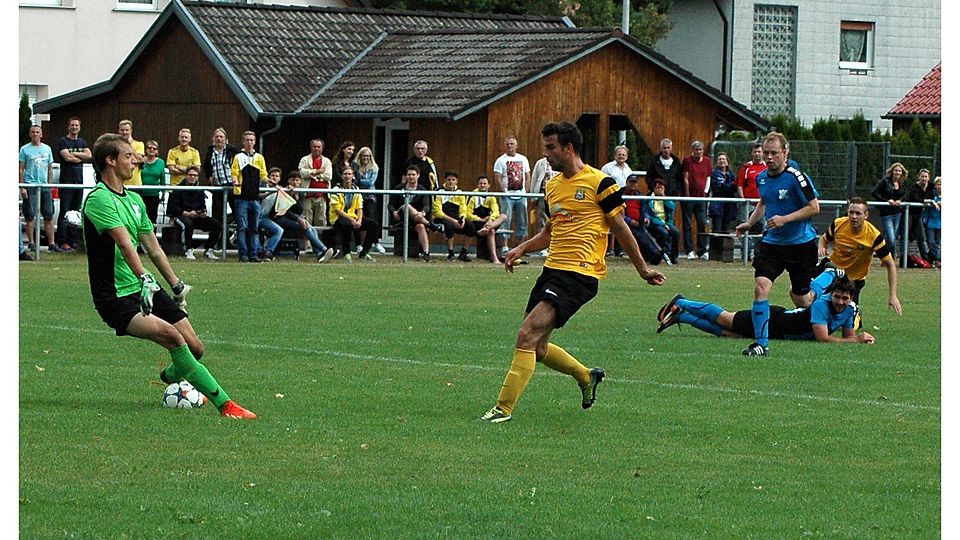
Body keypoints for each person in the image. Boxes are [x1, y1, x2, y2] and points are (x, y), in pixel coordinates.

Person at [479, 121, 665, 424]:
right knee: (537, 347)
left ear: (569, 148)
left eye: (550, 147)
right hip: (552, 270)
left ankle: (503, 409)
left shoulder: (601, 183)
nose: (545, 153)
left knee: (526, 334)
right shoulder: (553, 186)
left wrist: (642, 269)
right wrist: (522, 248)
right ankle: (586, 375)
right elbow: (551, 231)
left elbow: (621, 228)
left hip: (580, 274)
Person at [81, 133, 255, 419]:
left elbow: (154, 249)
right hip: (115, 296)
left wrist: (175, 285)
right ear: (110, 161)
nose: (134, 159)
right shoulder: (99, 200)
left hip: (145, 286)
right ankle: (226, 406)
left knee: (196, 347)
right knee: (174, 338)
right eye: (127, 155)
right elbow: (125, 245)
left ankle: (170, 376)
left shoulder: (134, 200)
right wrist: (143, 278)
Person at [734, 132, 820, 357]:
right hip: (772, 243)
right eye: (766, 153)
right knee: (761, 286)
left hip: (800, 244)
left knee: (801, 298)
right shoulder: (761, 178)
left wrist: (785, 218)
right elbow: (764, 201)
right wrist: (749, 223)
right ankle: (761, 344)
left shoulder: (796, 177)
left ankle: (825, 297)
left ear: (785, 152)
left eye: (774, 153)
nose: (769, 157)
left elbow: (814, 207)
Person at [656, 276, 874, 344]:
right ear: (831, 295)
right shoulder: (820, 305)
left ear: (852, 298)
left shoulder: (850, 309)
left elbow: (849, 336)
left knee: (731, 335)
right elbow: (822, 338)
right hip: (774, 320)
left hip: (778, 332)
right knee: (725, 319)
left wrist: (861, 338)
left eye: (845, 299)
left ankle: (682, 317)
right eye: (837, 297)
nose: (841, 302)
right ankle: (682, 301)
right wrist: (854, 341)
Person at [815, 197, 902, 315]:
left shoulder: (874, 236)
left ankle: (854, 314)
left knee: (847, 319)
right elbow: (823, 239)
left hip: (853, 280)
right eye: (851, 212)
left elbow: (890, 264)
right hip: (832, 271)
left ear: (866, 215)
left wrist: (893, 295)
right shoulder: (838, 224)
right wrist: (822, 248)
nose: (854, 216)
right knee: (807, 297)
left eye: (858, 213)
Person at [271, 171, 335, 263]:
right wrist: (298, 219)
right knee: (305, 227)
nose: (295, 183)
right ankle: (324, 249)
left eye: (297, 180)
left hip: (293, 218)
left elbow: (299, 210)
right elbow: (285, 211)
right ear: (288, 181)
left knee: (311, 228)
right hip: (282, 218)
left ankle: (320, 254)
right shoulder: (284, 192)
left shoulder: (300, 193)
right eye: (293, 180)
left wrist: (296, 197)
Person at [166, 166, 221, 260]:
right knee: (188, 224)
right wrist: (186, 213)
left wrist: (202, 212)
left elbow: (202, 206)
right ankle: (188, 249)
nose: (193, 177)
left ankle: (209, 249)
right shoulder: (178, 189)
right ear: (186, 176)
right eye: (190, 175)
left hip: (196, 216)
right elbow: (172, 208)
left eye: (195, 175)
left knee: (216, 224)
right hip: (181, 216)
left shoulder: (199, 190)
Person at [230, 131, 268, 263]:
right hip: (242, 198)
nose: (249, 142)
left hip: (255, 198)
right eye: (247, 140)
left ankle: (253, 254)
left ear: (255, 141)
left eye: (252, 140)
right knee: (242, 227)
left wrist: (270, 182)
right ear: (243, 142)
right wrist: (235, 180)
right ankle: (243, 254)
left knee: (254, 228)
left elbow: (263, 174)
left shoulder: (259, 158)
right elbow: (234, 172)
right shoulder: (238, 157)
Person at [57, 116, 92, 251]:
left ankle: (73, 242)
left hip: (79, 182)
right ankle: (62, 242)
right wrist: (79, 156)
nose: (74, 127)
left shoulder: (82, 142)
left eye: (76, 125)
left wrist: (75, 157)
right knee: (64, 212)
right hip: (66, 181)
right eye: (72, 125)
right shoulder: (63, 141)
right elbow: (67, 157)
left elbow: (89, 155)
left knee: (75, 212)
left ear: (79, 127)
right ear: (68, 126)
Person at [19, 125, 57, 252]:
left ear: (41, 134)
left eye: (37, 132)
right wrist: (22, 187)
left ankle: (51, 243)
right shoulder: (24, 149)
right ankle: (31, 243)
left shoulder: (47, 149)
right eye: (33, 132)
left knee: (48, 215)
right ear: (30, 134)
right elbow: (21, 169)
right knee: (30, 216)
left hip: (45, 186)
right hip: (30, 186)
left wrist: (50, 185)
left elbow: (50, 168)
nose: (35, 134)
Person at [329, 167, 379, 261]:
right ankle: (347, 252)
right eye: (345, 174)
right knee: (347, 225)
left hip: (353, 217)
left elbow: (359, 208)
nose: (347, 176)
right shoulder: (336, 189)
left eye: (349, 174)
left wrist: (359, 220)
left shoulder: (356, 189)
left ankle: (364, 253)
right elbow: (337, 210)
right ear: (342, 176)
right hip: (337, 218)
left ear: (353, 176)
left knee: (374, 225)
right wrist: (352, 220)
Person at [493, 136, 532, 256]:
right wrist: (503, 193)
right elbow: (497, 178)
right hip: (507, 196)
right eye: (508, 144)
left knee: (522, 221)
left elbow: (527, 175)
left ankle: (521, 246)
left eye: (512, 144)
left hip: (521, 195)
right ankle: (505, 246)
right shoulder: (500, 161)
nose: (510, 146)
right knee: (505, 220)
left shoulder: (523, 159)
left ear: (516, 145)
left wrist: (526, 191)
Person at [388, 165, 435, 262]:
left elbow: (426, 206)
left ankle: (426, 253)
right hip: (401, 216)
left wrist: (422, 213)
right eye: (409, 174)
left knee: (421, 226)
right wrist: (393, 212)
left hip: (416, 218)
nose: (411, 177)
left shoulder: (422, 190)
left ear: (418, 175)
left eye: (413, 174)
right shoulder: (399, 188)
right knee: (406, 205)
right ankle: (430, 224)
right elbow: (390, 205)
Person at [432, 171, 477, 261]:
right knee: (449, 226)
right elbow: (437, 212)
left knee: (471, 226)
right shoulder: (439, 192)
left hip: (456, 217)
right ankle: (451, 253)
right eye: (449, 180)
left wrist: (462, 219)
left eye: (453, 180)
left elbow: (463, 208)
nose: (451, 182)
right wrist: (453, 221)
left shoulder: (460, 192)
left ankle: (463, 252)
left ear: (456, 181)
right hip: (441, 218)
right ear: (445, 180)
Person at [622, 174, 665, 265]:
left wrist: (646, 218)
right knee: (639, 236)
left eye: (635, 182)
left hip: (639, 223)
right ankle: (653, 254)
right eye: (631, 182)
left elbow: (645, 210)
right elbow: (618, 213)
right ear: (626, 182)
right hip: (625, 224)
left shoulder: (640, 195)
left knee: (645, 234)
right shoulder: (621, 194)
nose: (632, 184)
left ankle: (657, 252)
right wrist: (629, 221)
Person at [202, 127, 240, 226]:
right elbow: (206, 166)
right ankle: (218, 239)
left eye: (221, 137)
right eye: (217, 137)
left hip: (232, 185)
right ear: (213, 139)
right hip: (218, 186)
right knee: (217, 215)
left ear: (225, 139)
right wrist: (209, 176)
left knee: (237, 213)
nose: (219, 139)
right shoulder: (210, 151)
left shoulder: (233, 150)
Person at [681, 140, 712, 260]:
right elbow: (686, 178)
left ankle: (702, 249)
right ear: (692, 151)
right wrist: (687, 196)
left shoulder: (707, 161)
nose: (698, 152)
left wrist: (705, 193)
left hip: (701, 198)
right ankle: (689, 250)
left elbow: (708, 177)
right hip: (690, 198)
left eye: (700, 150)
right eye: (696, 150)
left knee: (702, 223)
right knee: (687, 224)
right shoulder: (687, 161)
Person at [870, 162, 907, 262]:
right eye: (896, 170)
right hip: (886, 213)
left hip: (897, 213)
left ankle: (885, 258)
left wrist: (900, 201)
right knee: (891, 238)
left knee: (890, 237)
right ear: (892, 171)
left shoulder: (901, 183)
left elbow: (904, 195)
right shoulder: (885, 181)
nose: (897, 172)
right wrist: (886, 201)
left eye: (899, 171)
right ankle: (892, 258)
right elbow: (874, 192)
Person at [735, 142, 766, 258]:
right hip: (748, 204)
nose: (757, 154)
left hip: (762, 204)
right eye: (755, 152)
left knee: (763, 229)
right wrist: (743, 199)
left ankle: (759, 254)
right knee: (745, 228)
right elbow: (740, 185)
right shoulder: (746, 167)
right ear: (752, 153)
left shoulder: (767, 167)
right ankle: (745, 254)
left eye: (759, 151)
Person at [467, 175, 506, 264]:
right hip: (478, 223)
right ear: (477, 185)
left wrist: (490, 220)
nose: (483, 185)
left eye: (485, 183)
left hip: (488, 223)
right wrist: (480, 220)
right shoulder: (473, 196)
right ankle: (495, 259)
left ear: (488, 185)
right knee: (491, 231)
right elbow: (468, 214)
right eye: (481, 184)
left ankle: (487, 228)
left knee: (503, 216)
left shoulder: (491, 196)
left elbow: (496, 211)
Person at [355, 146, 385, 254]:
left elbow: (370, 183)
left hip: (369, 196)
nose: (365, 158)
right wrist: (359, 181)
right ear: (360, 156)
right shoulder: (355, 166)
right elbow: (354, 181)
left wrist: (359, 181)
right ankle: (358, 244)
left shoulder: (374, 167)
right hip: (357, 196)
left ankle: (374, 242)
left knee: (372, 220)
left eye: (368, 156)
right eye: (363, 155)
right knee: (357, 219)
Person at [644, 178, 681, 266]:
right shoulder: (648, 199)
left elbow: (672, 208)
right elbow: (650, 216)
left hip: (667, 223)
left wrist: (663, 197)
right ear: (654, 188)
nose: (659, 190)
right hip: (655, 223)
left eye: (661, 188)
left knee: (676, 233)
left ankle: (674, 257)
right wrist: (663, 224)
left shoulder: (666, 198)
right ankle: (660, 254)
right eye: (658, 188)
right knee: (663, 233)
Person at [298, 139, 333, 227]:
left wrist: (312, 174)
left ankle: (318, 240)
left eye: (318, 147)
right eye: (314, 147)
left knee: (321, 220)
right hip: (307, 195)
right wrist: (318, 171)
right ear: (311, 147)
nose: (316, 149)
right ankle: (307, 240)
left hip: (322, 196)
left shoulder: (327, 161)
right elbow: (302, 173)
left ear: (322, 148)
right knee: (306, 220)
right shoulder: (304, 160)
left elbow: (328, 176)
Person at [257, 167, 287, 261]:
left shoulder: (279, 189)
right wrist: (270, 192)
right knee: (253, 232)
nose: (274, 178)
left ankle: (268, 251)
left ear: (279, 179)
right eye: (272, 176)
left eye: (276, 176)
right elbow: (258, 196)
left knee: (279, 230)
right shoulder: (262, 185)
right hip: (255, 216)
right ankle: (259, 251)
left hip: (265, 217)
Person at [905, 168, 934, 263]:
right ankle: (926, 260)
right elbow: (914, 199)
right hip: (915, 216)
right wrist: (927, 201)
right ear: (918, 177)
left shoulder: (931, 187)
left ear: (929, 178)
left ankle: (932, 258)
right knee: (921, 237)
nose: (924, 178)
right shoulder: (914, 187)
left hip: (928, 215)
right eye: (922, 176)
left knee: (930, 238)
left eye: (926, 177)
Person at [708, 151, 738, 233]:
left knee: (726, 231)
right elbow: (721, 188)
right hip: (717, 206)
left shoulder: (731, 174)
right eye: (719, 159)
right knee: (717, 230)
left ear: (727, 162)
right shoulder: (714, 174)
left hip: (729, 206)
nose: (722, 161)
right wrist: (730, 185)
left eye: (723, 159)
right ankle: (715, 246)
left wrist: (730, 185)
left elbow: (735, 187)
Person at [529, 156, 553, 254]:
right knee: (542, 220)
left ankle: (553, 247)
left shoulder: (561, 161)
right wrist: (533, 196)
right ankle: (543, 248)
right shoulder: (540, 163)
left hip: (556, 193)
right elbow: (535, 178)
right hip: (542, 193)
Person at [139, 140, 166, 225]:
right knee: (140, 217)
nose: (151, 150)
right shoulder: (141, 161)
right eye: (149, 148)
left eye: (154, 148)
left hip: (154, 195)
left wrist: (163, 193)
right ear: (146, 150)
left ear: (157, 151)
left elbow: (162, 178)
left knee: (152, 218)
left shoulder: (161, 162)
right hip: (141, 194)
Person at [118, 120, 145, 187]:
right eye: (122, 130)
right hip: (119, 183)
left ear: (131, 131)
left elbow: (139, 159)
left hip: (135, 184)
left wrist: (129, 145)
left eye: (127, 130)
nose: (124, 132)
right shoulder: (115, 145)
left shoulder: (139, 144)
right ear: (119, 131)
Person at [923, 177, 941, 267]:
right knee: (931, 242)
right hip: (930, 222)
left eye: (941, 185)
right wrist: (933, 202)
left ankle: (930, 260)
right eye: (938, 185)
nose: (940, 187)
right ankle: (939, 259)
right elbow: (925, 200)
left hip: (940, 224)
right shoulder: (931, 194)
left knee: (937, 243)